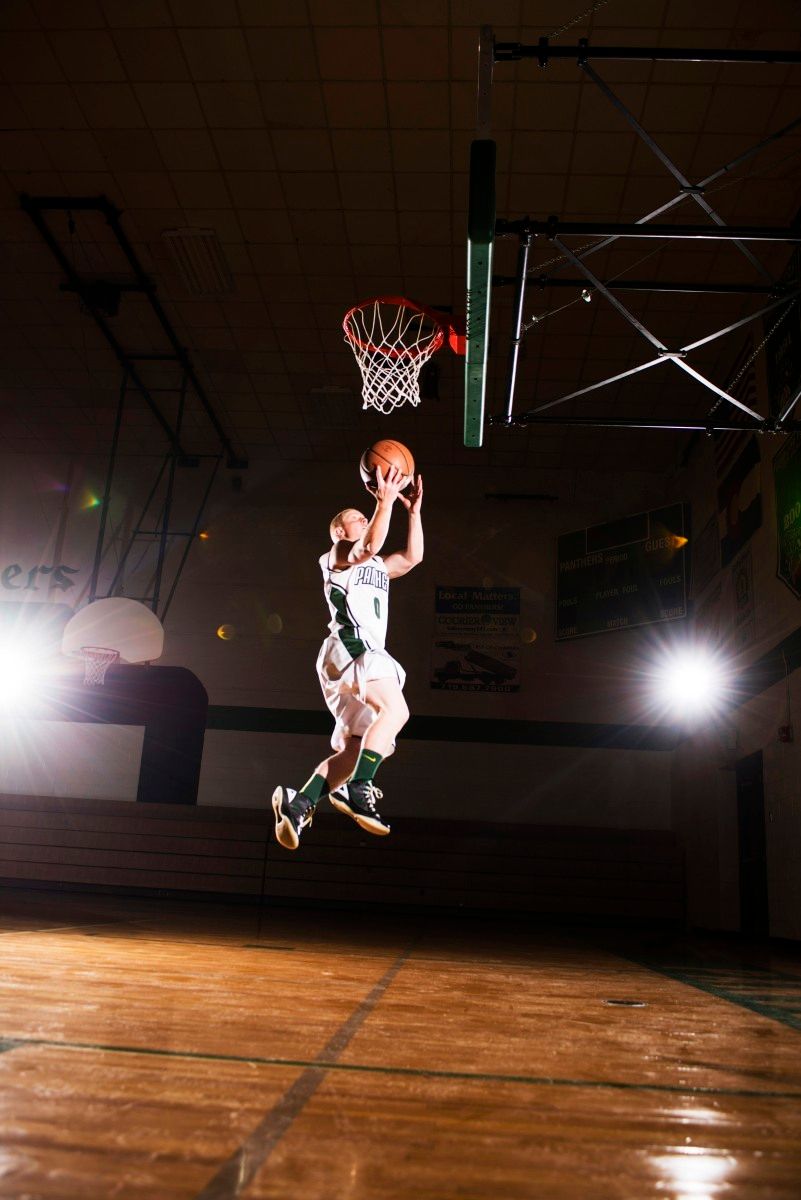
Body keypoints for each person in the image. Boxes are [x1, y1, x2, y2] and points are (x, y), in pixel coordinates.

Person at [272, 464, 423, 851]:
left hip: (347, 661)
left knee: (358, 748)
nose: (367, 515)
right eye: (360, 517)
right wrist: (384, 501)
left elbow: (411, 558)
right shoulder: (337, 555)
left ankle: (300, 801)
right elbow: (368, 546)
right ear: (340, 530)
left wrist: (413, 512)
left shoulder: (377, 568)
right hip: (353, 648)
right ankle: (359, 786)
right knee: (397, 713)